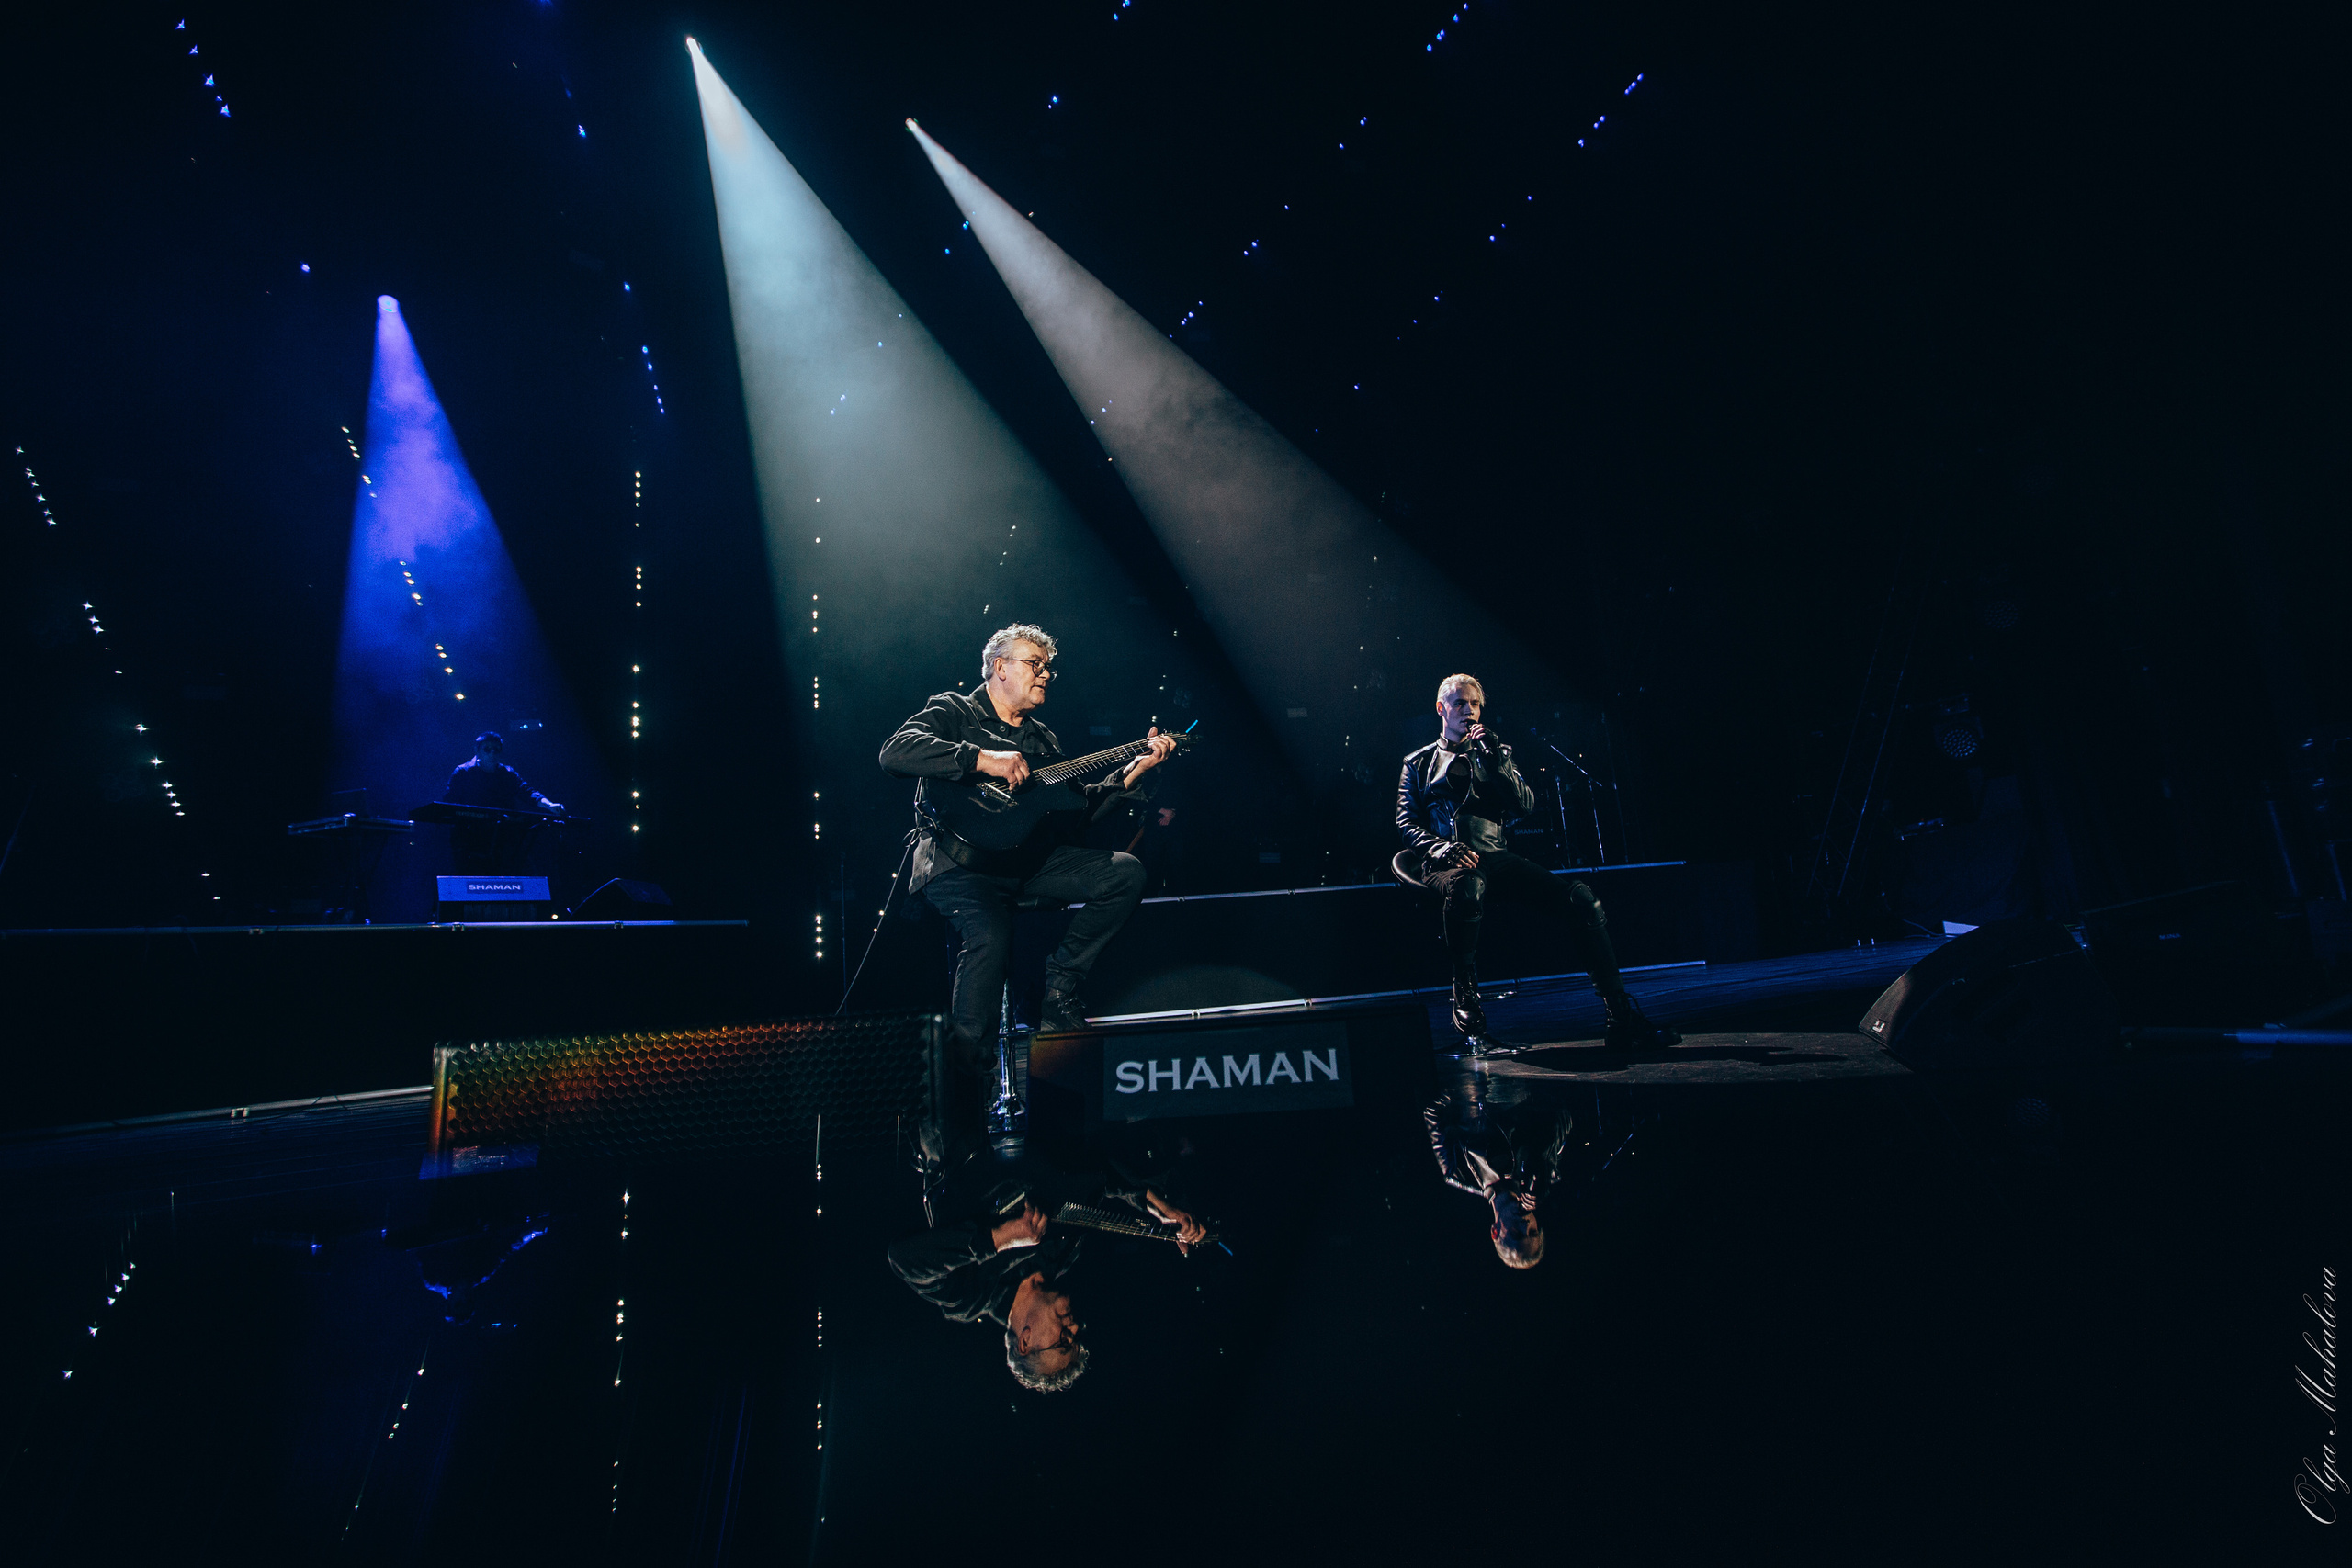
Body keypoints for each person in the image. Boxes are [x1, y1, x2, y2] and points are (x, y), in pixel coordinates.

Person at [880, 625, 1178, 1146]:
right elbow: (895, 752)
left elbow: (1072, 821)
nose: (1045, 675)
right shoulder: (954, 711)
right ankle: (953, 1107)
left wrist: (1132, 774)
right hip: (959, 867)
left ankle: (1059, 991)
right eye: (1034, 664)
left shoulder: (1044, 741)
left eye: (1048, 667)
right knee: (990, 937)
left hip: (1025, 864)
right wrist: (981, 759)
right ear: (1000, 667)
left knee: (1123, 872)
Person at [1396, 674, 1679, 1053]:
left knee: (1581, 899)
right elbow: (1406, 823)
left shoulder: (1496, 752)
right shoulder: (1418, 762)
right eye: (1460, 703)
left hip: (1494, 856)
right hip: (1446, 864)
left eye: (1475, 704)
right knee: (1468, 886)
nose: (1469, 711)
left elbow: (1524, 805)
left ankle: (1621, 1017)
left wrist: (1495, 760)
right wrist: (1441, 848)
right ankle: (1465, 998)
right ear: (1441, 709)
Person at [886, 1163, 1207, 1393]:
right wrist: (1161, 1206)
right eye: (1076, 1336)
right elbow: (1100, 1175)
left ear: (1025, 1342)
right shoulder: (1064, 1255)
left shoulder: (969, 1298)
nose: (1074, 1328)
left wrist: (999, 1238)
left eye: (1063, 1340)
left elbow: (905, 1259)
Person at [1425, 1082, 1576, 1269]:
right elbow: (1562, 1113)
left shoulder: (1456, 1175)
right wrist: (1541, 1158)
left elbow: (1431, 1112)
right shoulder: (1548, 1174)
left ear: (1495, 1232)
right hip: (1518, 1075)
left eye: (1517, 1234)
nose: (1525, 1225)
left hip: (1466, 1076)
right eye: (1533, 1231)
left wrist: (1458, 1087)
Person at [444, 731, 565, 874]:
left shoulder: (508, 774)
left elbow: (528, 792)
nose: (492, 754)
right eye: (487, 749)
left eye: (496, 750)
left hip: (502, 837)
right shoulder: (463, 773)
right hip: (470, 838)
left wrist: (550, 805)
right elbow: (449, 803)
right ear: (477, 750)